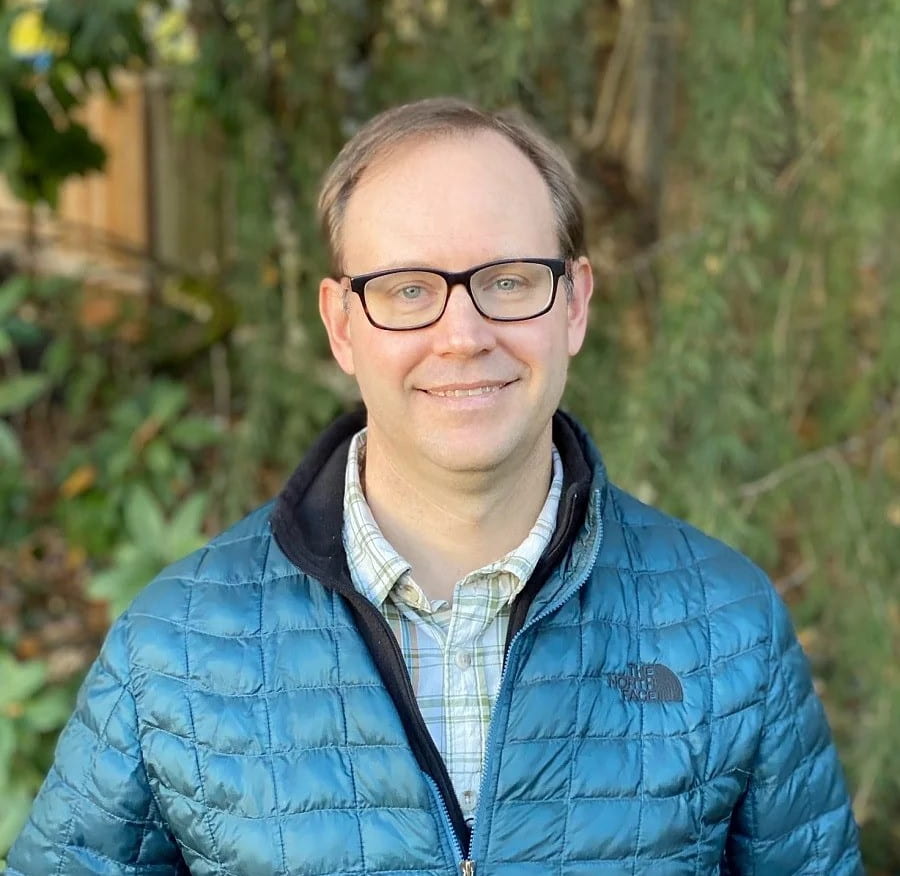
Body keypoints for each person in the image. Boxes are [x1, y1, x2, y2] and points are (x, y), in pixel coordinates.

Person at [8, 98, 862, 875]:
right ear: (342, 324)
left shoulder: (725, 631)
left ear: (574, 304)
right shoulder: (177, 650)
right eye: (408, 289)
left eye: (507, 282)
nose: (463, 334)